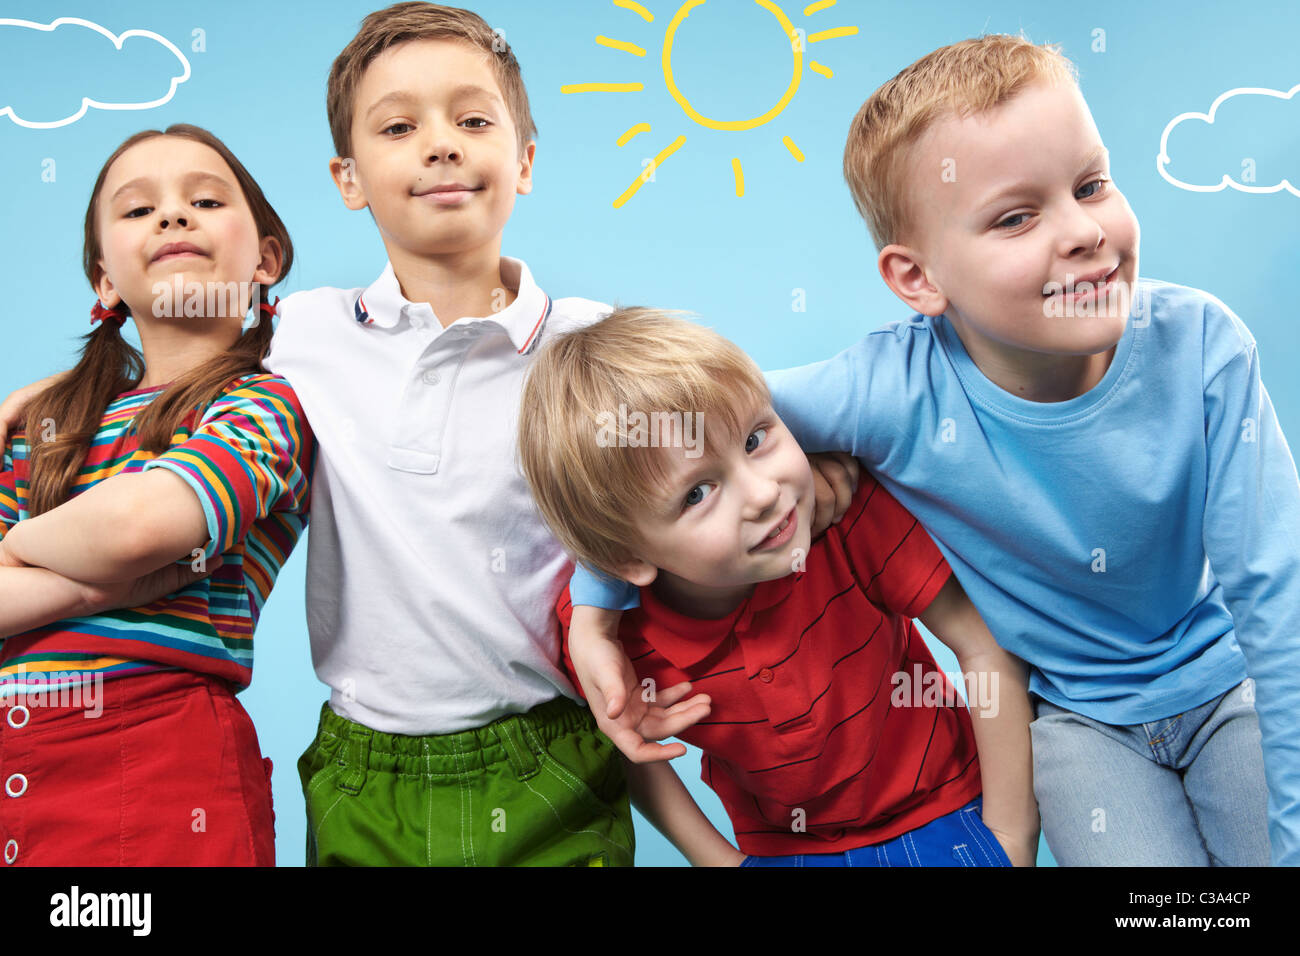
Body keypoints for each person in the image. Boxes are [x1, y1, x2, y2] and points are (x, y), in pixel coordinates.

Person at [566, 35, 1300, 867]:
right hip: (1076, 719)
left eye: (1091, 185)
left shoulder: (1203, 346)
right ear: (918, 280)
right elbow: (658, 448)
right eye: (1017, 216)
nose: (1084, 232)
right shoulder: (888, 390)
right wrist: (595, 612)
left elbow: (1280, 596)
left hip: (1229, 682)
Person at [518, 308, 1039, 866]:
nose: (764, 494)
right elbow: (632, 748)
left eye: (754, 439)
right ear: (625, 557)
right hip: (780, 851)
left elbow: (982, 641)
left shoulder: (848, 521)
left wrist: (1009, 833)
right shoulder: (607, 639)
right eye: (698, 493)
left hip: (949, 807)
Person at [0, 124, 314, 866]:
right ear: (105, 281)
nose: (172, 216)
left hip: (157, 756)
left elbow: (137, 526)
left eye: (204, 199)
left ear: (265, 259)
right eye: (137, 210)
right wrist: (77, 594)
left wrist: (14, 548)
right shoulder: (48, 427)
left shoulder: (265, 406)